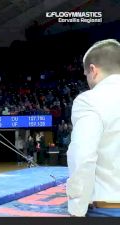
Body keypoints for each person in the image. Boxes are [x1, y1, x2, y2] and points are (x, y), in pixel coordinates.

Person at [67, 39, 120, 217]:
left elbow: (83, 157)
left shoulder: (89, 100)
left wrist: (77, 209)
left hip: (108, 206)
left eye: (86, 75)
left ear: (93, 70)